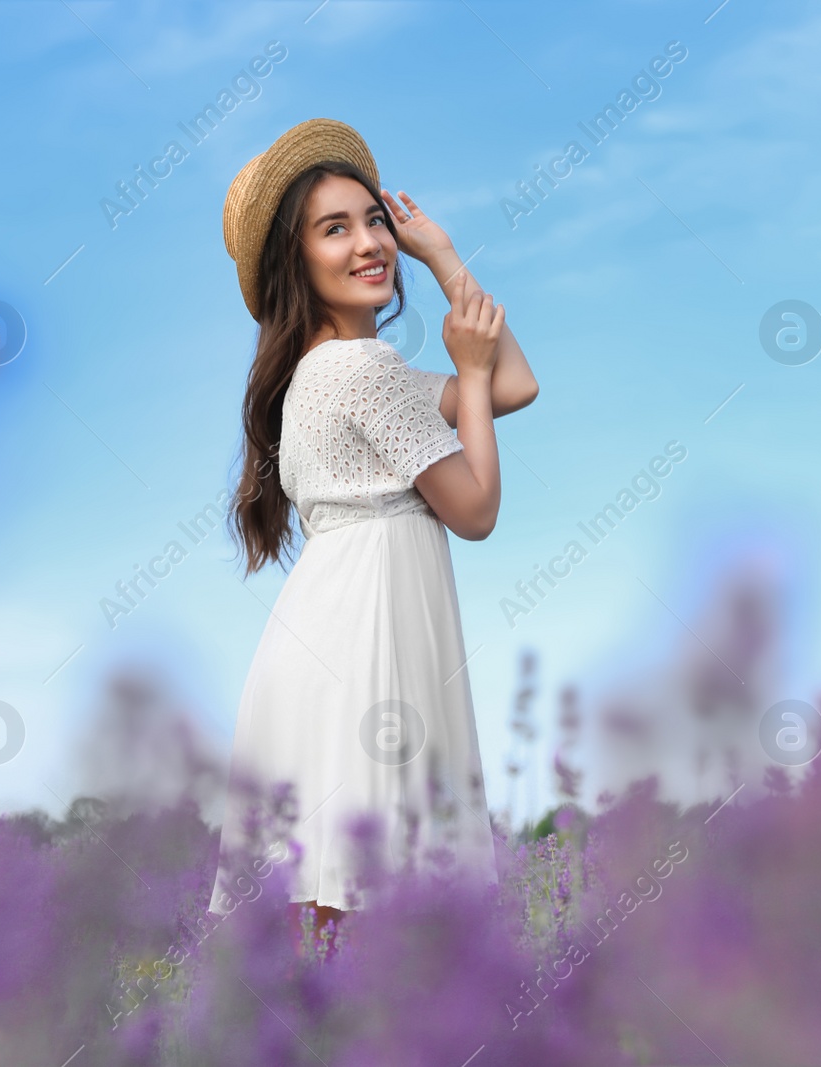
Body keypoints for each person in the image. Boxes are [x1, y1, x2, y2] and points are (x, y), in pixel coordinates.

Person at [208, 118, 538, 936]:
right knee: (369, 911)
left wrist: (446, 260)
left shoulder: (334, 369)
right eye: (334, 228)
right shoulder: (363, 371)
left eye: (374, 220)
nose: (369, 242)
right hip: (367, 645)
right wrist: (465, 368)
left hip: (335, 635)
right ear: (297, 262)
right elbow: (477, 510)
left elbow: (516, 384)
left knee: (328, 912)